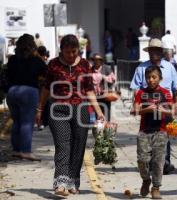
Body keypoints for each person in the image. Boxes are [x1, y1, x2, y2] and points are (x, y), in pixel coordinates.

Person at [35, 34, 105, 196]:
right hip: (58, 109)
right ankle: (60, 183)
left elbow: (89, 90)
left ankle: (73, 180)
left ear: (78, 50)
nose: (71, 55)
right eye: (67, 52)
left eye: (74, 52)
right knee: (63, 144)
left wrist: (99, 112)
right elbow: (46, 88)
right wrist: (40, 109)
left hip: (80, 109)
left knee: (78, 145)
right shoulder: (53, 64)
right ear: (62, 51)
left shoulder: (84, 65)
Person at [130, 38, 177, 175]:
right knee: (149, 133)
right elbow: (136, 88)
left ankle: (165, 162)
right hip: (148, 105)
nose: (153, 53)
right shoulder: (141, 67)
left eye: (156, 50)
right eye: (151, 50)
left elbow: (176, 88)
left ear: (161, 52)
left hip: (165, 105)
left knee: (164, 133)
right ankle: (151, 161)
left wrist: (176, 106)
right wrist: (138, 103)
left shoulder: (169, 67)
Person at [131, 65, 174, 199]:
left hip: (161, 131)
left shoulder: (165, 93)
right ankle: (146, 180)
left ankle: (156, 187)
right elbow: (134, 111)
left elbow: (173, 112)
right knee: (142, 160)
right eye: (148, 77)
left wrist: (164, 110)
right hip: (144, 131)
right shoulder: (141, 93)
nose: (151, 80)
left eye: (154, 77)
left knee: (158, 161)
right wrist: (147, 110)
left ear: (160, 78)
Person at [6, 33, 47, 161]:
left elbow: (8, 74)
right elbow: (46, 74)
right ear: (32, 46)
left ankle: (16, 150)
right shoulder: (36, 60)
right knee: (27, 122)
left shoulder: (12, 59)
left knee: (16, 121)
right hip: (29, 91)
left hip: (12, 91)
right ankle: (26, 151)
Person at [91, 53, 116, 121]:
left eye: (99, 60)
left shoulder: (106, 68)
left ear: (101, 61)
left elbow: (113, 79)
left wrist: (104, 77)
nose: (97, 61)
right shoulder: (91, 69)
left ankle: (106, 127)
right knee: (97, 113)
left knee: (106, 112)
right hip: (96, 95)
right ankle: (99, 128)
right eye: (95, 60)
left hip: (105, 94)